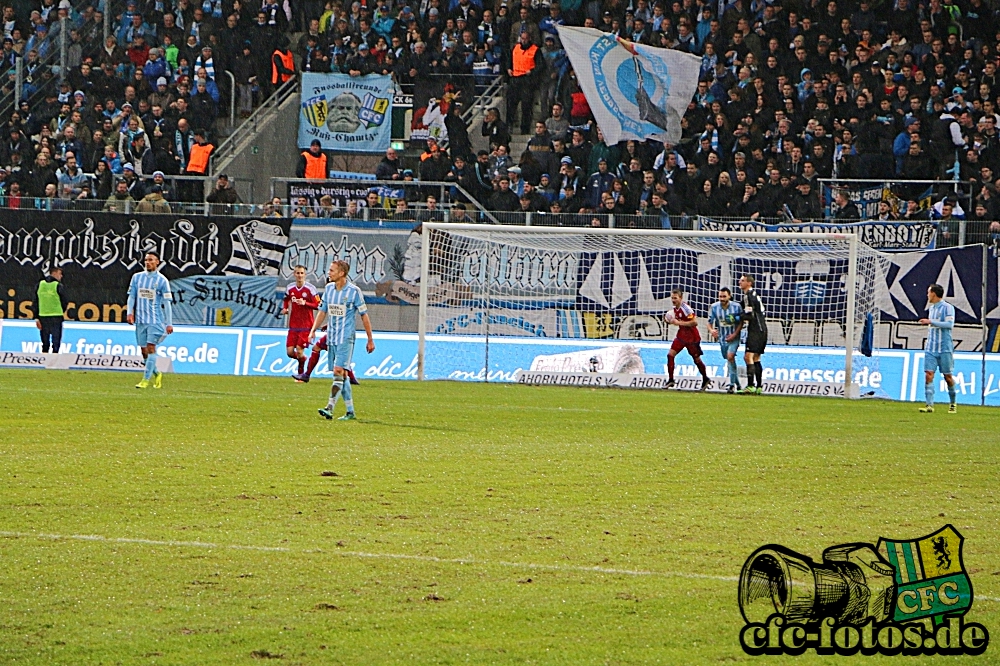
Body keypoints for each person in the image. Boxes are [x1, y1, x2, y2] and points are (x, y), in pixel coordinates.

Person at [308, 260, 375, 420]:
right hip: (332, 337)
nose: (329, 273)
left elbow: (364, 315)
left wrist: (370, 339)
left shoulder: (354, 291)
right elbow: (323, 311)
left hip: (346, 338)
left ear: (342, 273)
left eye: (332, 270)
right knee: (341, 375)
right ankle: (350, 412)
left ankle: (329, 407)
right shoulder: (329, 289)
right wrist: (313, 330)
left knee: (338, 371)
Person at [126, 251, 173, 389]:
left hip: (155, 321)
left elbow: (167, 303)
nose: (148, 262)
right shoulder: (137, 277)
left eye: (151, 260)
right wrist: (130, 312)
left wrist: (169, 323)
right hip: (140, 321)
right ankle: (157, 374)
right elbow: (132, 296)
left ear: (157, 262)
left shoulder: (162, 281)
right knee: (143, 351)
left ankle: (145, 380)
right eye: (146, 260)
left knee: (151, 347)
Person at [918, 283, 957, 413]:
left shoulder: (948, 308)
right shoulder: (932, 309)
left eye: (928, 292)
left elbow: (949, 324)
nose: (927, 295)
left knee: (948, 377)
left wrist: (931, 322)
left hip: (945, 348)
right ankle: (929, 405)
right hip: (931, 347)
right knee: (928, 375)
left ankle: (952, 404)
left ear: (934, 293)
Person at [665, 289, 710, 391]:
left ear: (681, 298)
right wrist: (668, 320)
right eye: (672, 298)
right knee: (670, 355)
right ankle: (671, 379)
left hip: (692, 338)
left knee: (697, 360)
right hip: (681, 337)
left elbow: (694, 322)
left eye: (675, 298)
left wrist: (678, 323)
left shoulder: (686, 308)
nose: (673, 300)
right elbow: (673, 319)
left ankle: (705, 378)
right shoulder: (674, 310)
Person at [283, 265, 321, 378]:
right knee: (290, 353)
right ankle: (303, 359)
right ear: (294, 274)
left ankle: (300, 373)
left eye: (301, 273)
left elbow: (318, 305)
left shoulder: (311, 289)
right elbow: (286, 299)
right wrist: (285, 308)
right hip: (293, 325)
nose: (299, 275)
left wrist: (306, 303)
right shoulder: (290, 288)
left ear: (305, 274)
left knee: (299, 350)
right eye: (297, 273)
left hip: (306, 325)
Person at [707, 287, 744, 394]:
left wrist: (735, 334)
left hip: (734, 337)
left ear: (729, 296)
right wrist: (712, 330)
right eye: (720, 296)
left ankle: (731, 385)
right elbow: (709, 322)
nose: (722, 298)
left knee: (730, 356)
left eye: (724, 296)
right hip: (722, 338)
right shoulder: (714, 307)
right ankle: (738, 385)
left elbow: (741, 322)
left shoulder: (736, 307)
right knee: (729, 360)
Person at [739, 273, 767, 394]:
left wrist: (737, 317)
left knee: (748, 357)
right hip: (763, 329)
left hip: (755, 330)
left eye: (742, 280)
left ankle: (750, 385)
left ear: (749, 283)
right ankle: (759, 386)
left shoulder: (748, 296)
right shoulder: (754, 295)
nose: (740, 282)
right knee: (756, 358)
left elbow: (749, 315)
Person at [34, 267, 68, 353]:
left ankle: (44, 359)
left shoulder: (40, 284)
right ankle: (54, 360)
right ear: (54, 273)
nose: (61, 276)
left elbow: (35, 301)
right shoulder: (58, 285)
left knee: (45, 342)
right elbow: (64, 301)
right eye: (60, 274)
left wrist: (36, 317)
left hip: (43, 316)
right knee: (56, 341)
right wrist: (60, 310)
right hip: (56, 316)